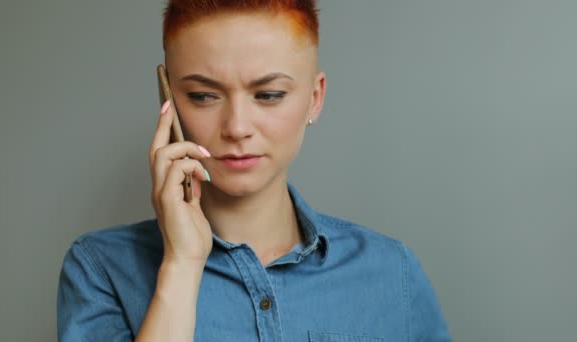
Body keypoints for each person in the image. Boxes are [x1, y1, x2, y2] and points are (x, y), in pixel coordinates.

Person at [57, 1, 452, 341]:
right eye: (203, 96)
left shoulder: (390, 272)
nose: (237, 127)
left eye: (268, 95)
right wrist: (182, 265)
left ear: (314, 99)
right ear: (168, 100)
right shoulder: (101, 269)